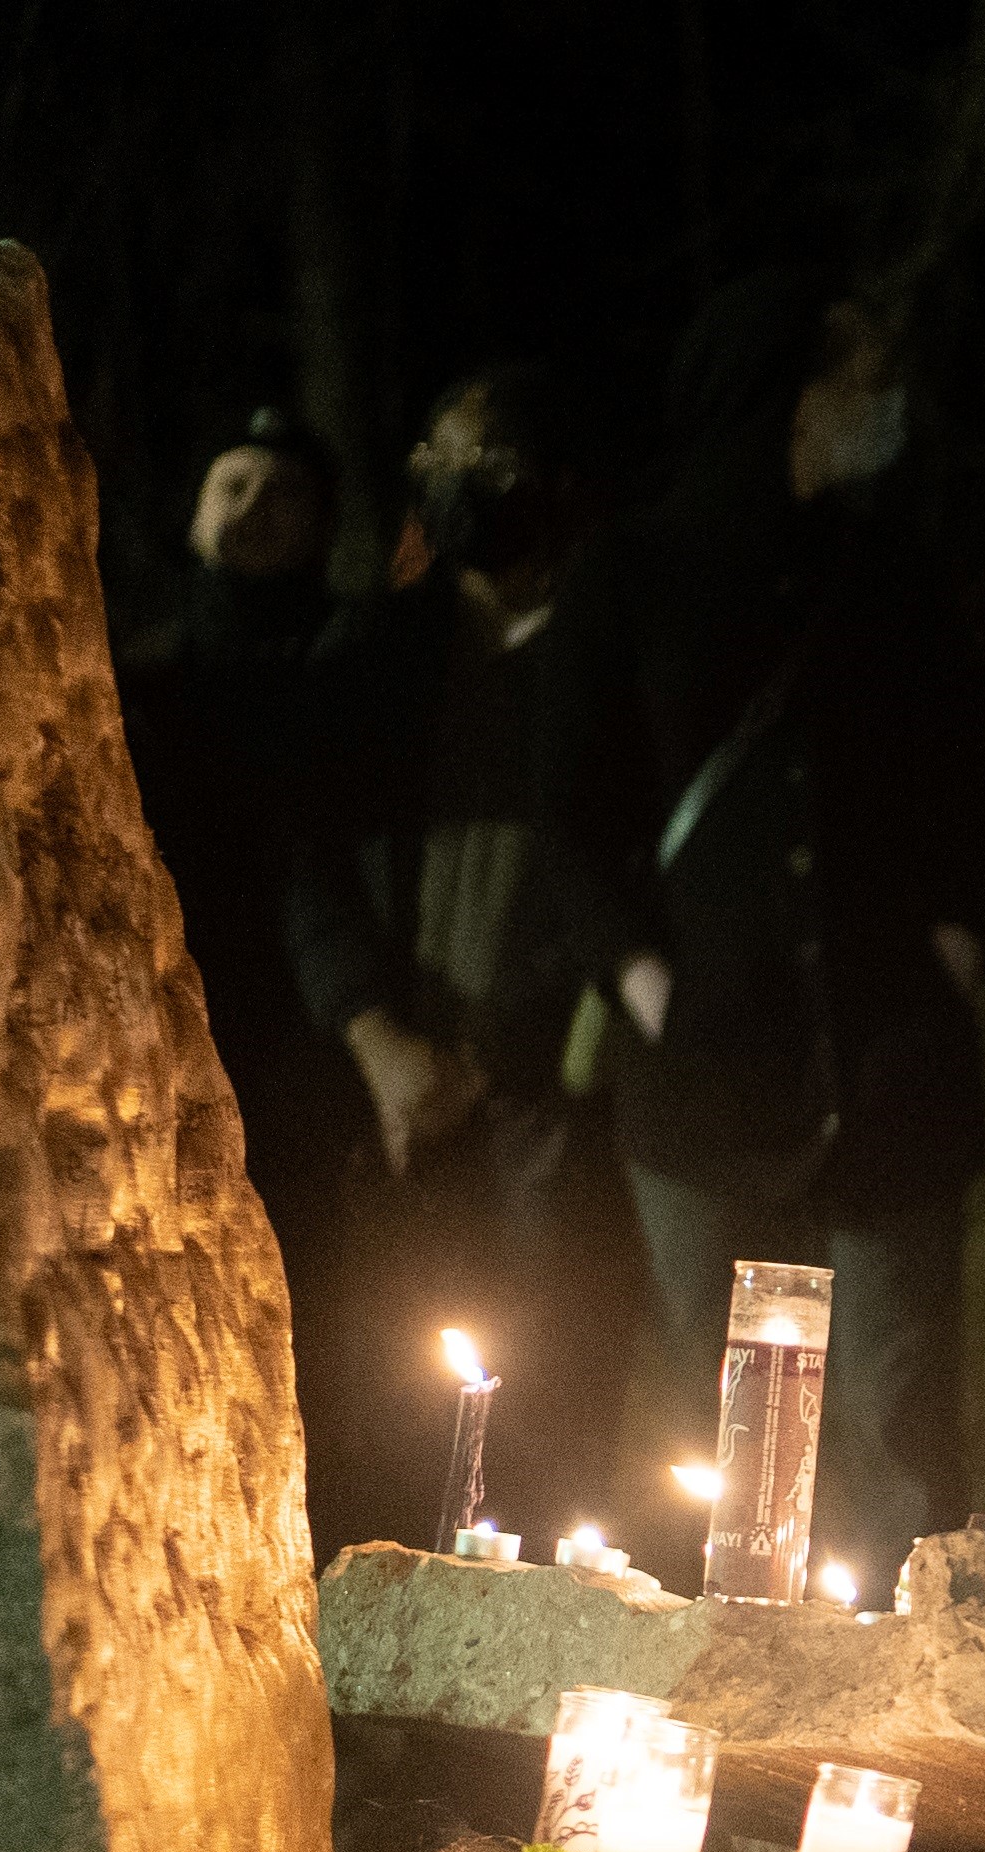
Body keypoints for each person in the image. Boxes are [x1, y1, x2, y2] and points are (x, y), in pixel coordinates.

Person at [506, 274, 985, 1594]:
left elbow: (964, 782)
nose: (880, 406)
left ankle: (901, 1750)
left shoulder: (887, 569)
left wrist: (952, 951)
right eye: (856, 378)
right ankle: (704, 1750)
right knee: (714, 1426)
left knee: (894, 1420)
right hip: (702, 1071)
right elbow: (567, 815)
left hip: (889, 1060)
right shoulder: (630, 573)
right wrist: (649, 984)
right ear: (784, 390)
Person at [282, 367, 646, 1552]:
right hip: (391, 1091)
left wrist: (492, 1054)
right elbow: (309, 850)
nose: (458, 495)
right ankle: (381, 1711)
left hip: (547, 1097)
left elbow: (625, 865)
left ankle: (506, 1718)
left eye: (488, 471)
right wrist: (373, 1035)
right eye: (439, 465)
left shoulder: (617, 653)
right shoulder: (375, 652)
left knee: (542, 1405)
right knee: (382, 1396)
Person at [121, 405, 413, 1551]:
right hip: (159, 1056)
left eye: (279, 492)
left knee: (316, 1343)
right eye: (229, 482)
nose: (249, 509)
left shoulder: (352, 666)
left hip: (305, 1068)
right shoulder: (132, 669)